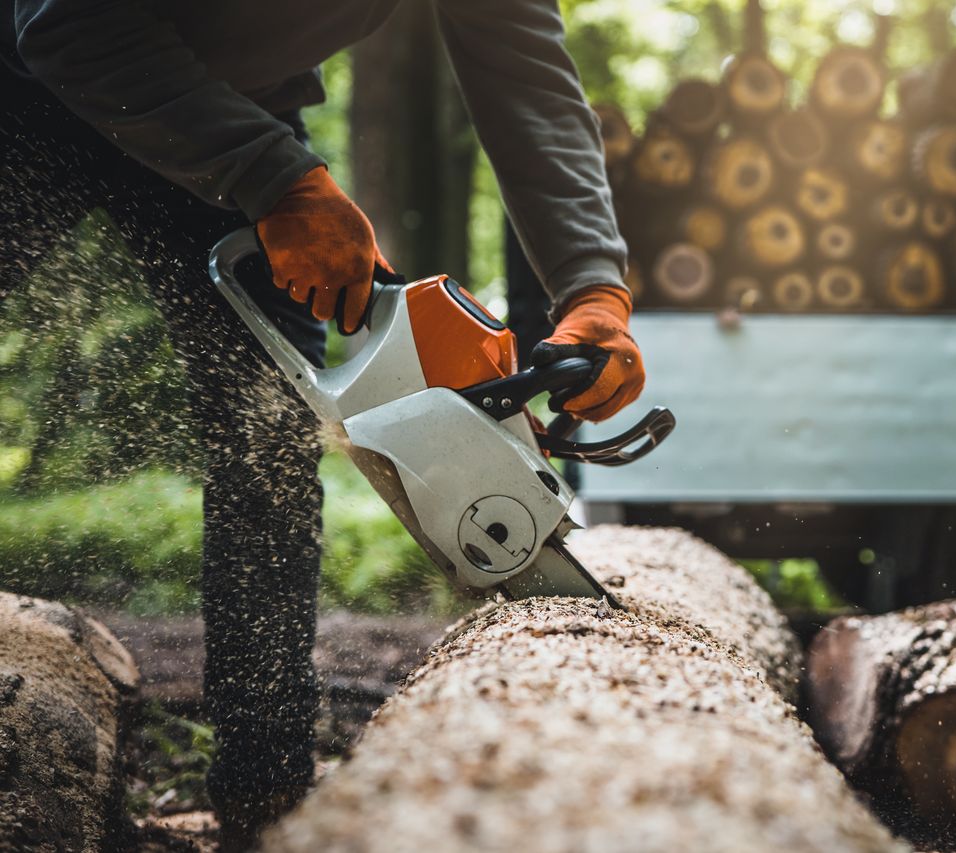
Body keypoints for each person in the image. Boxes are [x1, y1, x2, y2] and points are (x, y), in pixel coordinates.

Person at [1, 1, 644, 847]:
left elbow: (525, 74)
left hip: (245, 104)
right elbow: (65, 21)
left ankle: (266, 792)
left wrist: (592, 284)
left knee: (272, 438)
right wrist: (279, 180)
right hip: (32, 95)